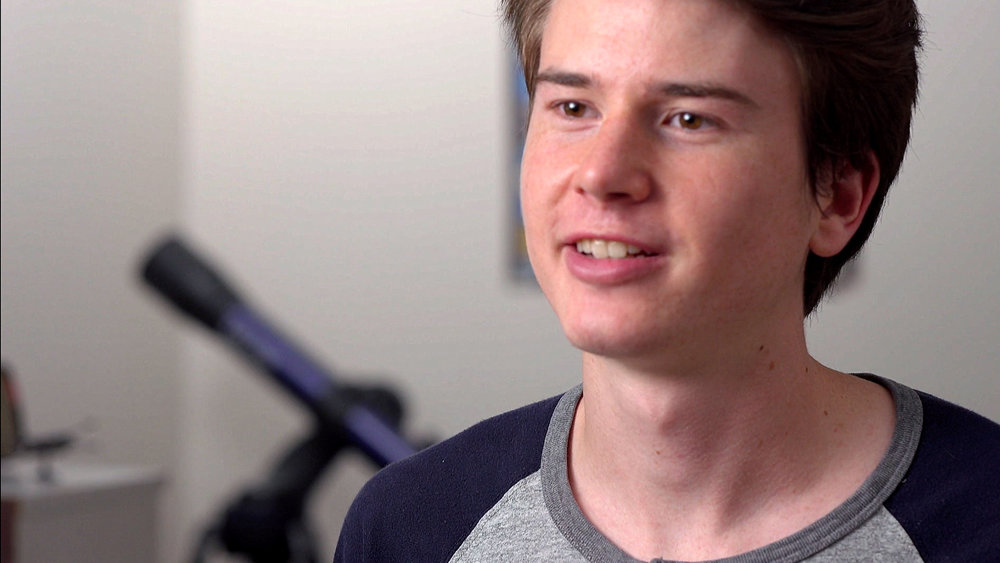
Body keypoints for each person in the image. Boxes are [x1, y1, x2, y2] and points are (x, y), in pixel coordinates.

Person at [334, 0, 1000, 560]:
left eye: (689, 118)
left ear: (838, 195)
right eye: (573, 107)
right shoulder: (407, 528)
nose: (602, 173)